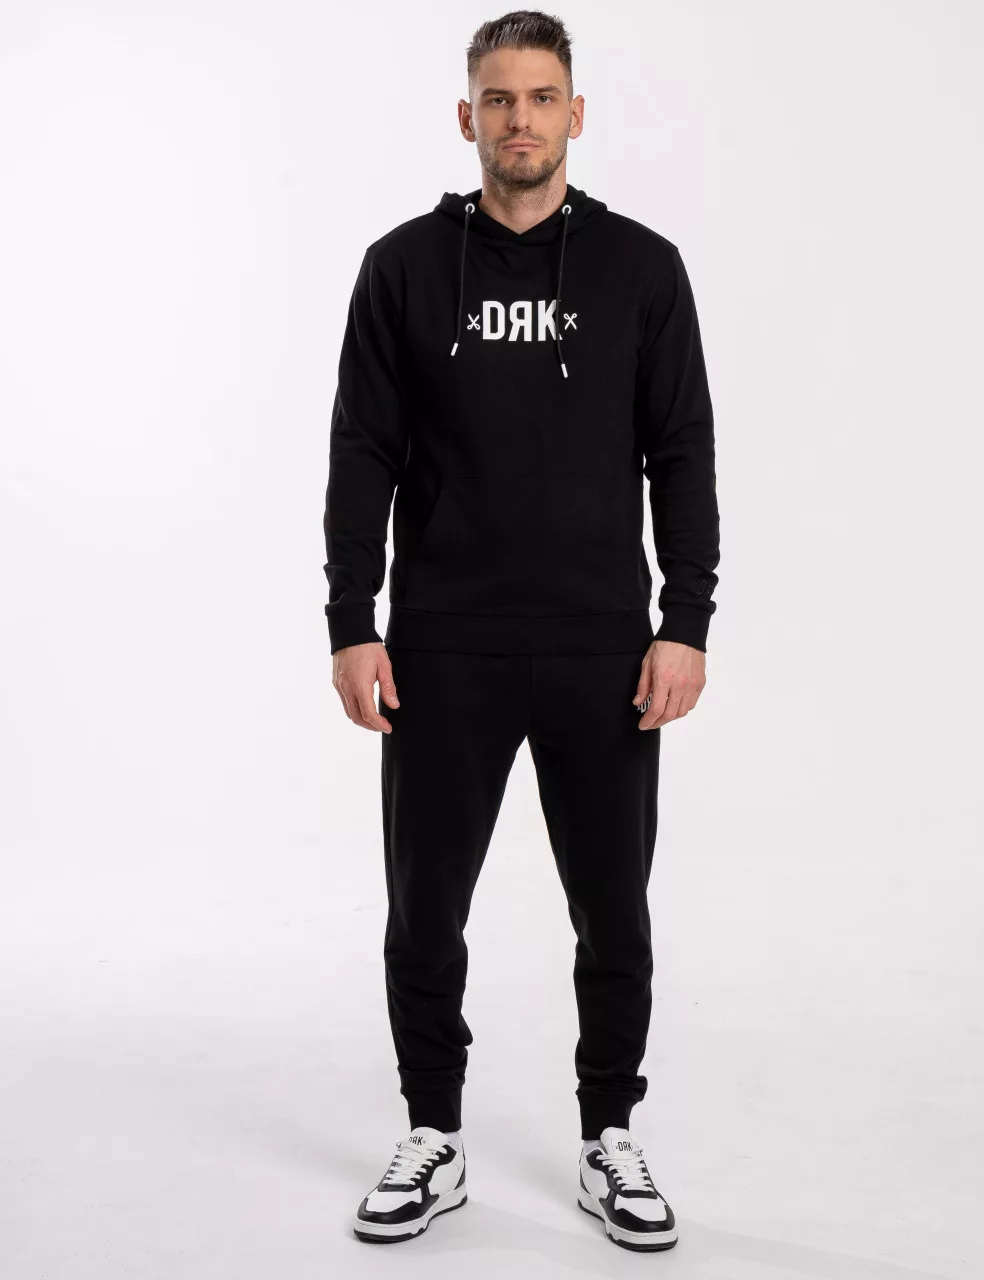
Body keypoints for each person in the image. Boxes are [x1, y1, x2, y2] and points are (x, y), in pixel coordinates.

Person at [323, 10, 719, 1253]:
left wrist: (685, 619)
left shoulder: (641, 269)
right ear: (467, 117)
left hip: (603, 645)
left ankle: (610, 1134)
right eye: (498, 99)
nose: (520, 120)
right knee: (422, 908)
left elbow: (682, 451)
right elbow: (363, 451)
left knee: (614, 909)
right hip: (442, 643)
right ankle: (432, 1133)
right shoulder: (401, 268)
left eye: (541, 98)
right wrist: (351, 619)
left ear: (575, 114)